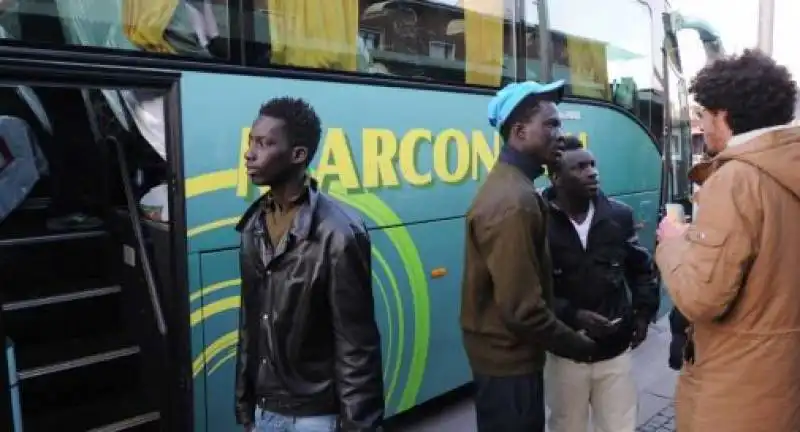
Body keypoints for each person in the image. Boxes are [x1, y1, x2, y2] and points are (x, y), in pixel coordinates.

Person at [656, 49, 800, 432]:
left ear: (723, 115)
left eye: (703, 114)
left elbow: (701, 297)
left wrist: (672, 242)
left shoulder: (736, 179)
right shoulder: (787, 165)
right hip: (781, 386)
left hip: (734, 395)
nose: (701, 124)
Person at [234, 97, 384, 432]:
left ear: (298, 155)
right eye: (251, 141)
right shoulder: (253, 227)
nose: (250, 153)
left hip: (314, 418)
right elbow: (250, 326)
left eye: (265, 143)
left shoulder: (339, 232)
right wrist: (245, 403)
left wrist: (360, 426)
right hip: (264, 411)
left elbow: (356, 348)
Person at [460, 80, 596, 432]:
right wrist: (579, 346)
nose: (561, 135)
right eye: (550, 125)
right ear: (520, 132)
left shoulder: (517, 188)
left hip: (510, 360)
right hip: (509, 365)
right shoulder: (513, 201)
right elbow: (523, 310)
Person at [543, 136, 659, 432]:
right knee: (567, 426)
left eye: (593, 165)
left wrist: (643, 315)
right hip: (565, 354)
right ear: (556, 177)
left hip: (615, 353)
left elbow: (641, 269)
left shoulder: (618, 216)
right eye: (579, 167)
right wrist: (573, 316)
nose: (592, 172)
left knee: (620, 425)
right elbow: (530, 288)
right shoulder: (537, 220)